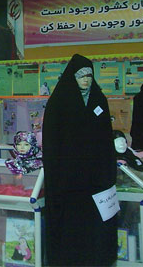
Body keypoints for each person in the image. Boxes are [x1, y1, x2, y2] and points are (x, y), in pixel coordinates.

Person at [42, 54, 117, 266]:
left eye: (89, 76)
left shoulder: (98, 100)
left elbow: (106, 137)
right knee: (71, 225)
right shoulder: (59, 102)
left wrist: (107, 172)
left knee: (94, 225)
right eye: (81, 76)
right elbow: (51, 141)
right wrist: (57, 174)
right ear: (72, 77)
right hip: (68, 180)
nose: (86, 80)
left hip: (95, 179)